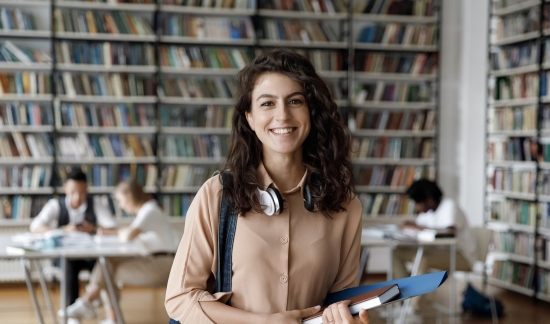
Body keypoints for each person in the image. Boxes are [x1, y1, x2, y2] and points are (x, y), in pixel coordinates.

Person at [165, 49, 369, 324]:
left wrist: (350, 317)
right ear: (249, 117)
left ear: (311, 111)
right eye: (267, 103)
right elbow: (180, 298)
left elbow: (343, 301)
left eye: (295, 101)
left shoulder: (345, 205)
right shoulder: (217, 195)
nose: (282, 115)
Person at [63, 180, 176, 324]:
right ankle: (94, 307)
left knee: (107, 271)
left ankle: (91, 304)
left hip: (162, 266)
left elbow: (128, 235)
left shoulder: (149, 210)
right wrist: (118, 232)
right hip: (155, 261)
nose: (121, 205)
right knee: (108, 264)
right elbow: (126, 234)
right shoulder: (147, 211)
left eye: (120, 200)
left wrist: (119, 232)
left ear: (129, 196)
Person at [30, 169, 116, 307]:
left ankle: (98, 303)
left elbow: (113, 229)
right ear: (65, 188)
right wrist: (63, 230)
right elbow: (35, 228)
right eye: (72, 192)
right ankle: (72, 311)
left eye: (81, 192)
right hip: (65, 256)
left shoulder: (95, 204)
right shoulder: (56, 205)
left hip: (89, 255)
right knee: (69, 265)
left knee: (105, 264)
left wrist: (93, 229)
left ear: (87, 189)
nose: (77, 197)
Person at [392, 179, 477, 312]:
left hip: (461, 256)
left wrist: (416, 227)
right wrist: (410, 226)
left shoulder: (449, 205)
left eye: (418, 203)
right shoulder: (428, 213)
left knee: (422, 259)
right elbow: (420, 227)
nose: (417, 208)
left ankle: (413, 309)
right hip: (437, 253)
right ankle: (404, 299)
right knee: (396, 253)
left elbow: (448, 231)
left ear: (429, 199)